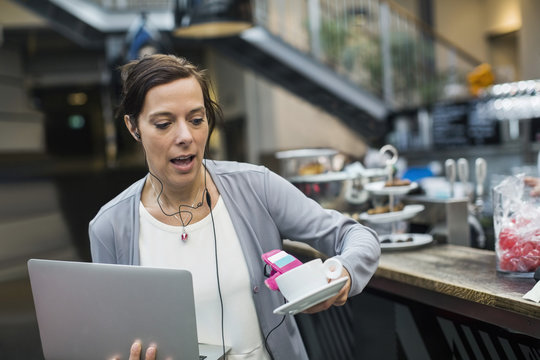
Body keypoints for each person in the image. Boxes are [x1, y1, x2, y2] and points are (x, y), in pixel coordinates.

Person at [89, 54, 380, 360]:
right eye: (164, 124)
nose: (186, 136)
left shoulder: (255, 187)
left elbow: (357, 236)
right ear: (134, 127)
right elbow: (114, 338)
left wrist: (343, 272)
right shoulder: (109, 228)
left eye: (196, 119)